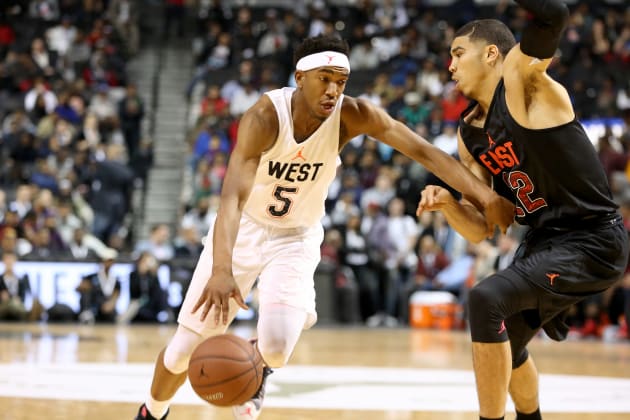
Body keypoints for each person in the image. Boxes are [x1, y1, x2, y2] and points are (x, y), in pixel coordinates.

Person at [134, 34, 514, 420]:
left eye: (340, 81)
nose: (333, 90)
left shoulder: (353, 115)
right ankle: (152, 410)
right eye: (324, 79)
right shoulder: (265, 117)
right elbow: (231, 198)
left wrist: (487, 197)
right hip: (243, 229)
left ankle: (259, 365)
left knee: (278, 347)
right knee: (183, 351)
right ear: (300, 76)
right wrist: (221, 269)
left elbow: (423, 151)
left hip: (295, 236)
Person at [416, 2, 630, 419]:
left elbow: (553, 15)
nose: (450, 65)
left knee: (485, 299)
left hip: (592, 237)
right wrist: (448, 205)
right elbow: (483, 228)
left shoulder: (522, 85)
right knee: (508, 344)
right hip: (543, 241)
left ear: (491, 53)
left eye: (459, 53)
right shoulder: (468, 134)